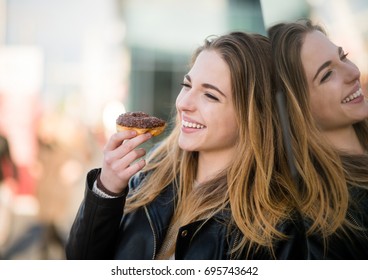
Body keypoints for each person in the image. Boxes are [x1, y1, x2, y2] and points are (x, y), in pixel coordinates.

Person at [66, 31, 307, 260]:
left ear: (255, 115)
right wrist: (107, 190)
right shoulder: (148, 180)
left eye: (210, 95)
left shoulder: (278, 229)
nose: (183, 104)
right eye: (187, 85)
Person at [268, 19, 368, 259]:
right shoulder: (321, 224)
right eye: (327, 75)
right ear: (294, 108)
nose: (354, 72)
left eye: (343, 57)